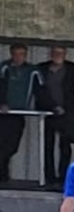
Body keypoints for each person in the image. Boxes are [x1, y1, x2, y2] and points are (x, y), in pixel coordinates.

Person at [35, 46, 74, 188]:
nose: (57, 55)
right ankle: (49, 178)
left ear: (65, 54)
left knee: (65, 146)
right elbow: (37, 89)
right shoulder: (41, 69)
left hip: (67, 113)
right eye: (55, 53)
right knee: (48, 145)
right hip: (48, 112)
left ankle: (63, 177)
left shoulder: (72, 69)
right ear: (50, 54)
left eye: (60, 53)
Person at [2, 44, 44, 184]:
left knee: (12, 146)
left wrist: (51, 106)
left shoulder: (32, 71)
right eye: (16, 54)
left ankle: (3, 174)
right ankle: (2, 175)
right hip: (3, 113)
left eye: (22, 54)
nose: (19, 57)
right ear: (11, 54)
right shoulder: (4, 67)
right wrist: (2, 103)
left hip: (18, 114)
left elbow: (41, 90)